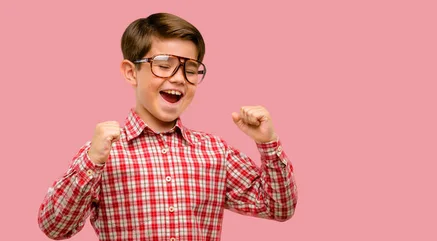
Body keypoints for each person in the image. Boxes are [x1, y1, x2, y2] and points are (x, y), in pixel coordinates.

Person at [37, 12, 297, 241]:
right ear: (131, 72)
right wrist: (92, 161)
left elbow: (278, 207)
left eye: (191, 69)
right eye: (163, 66)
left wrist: (268, 143)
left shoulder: (215, 151)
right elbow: (55, 227)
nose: (179, 78)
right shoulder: (102, 154)